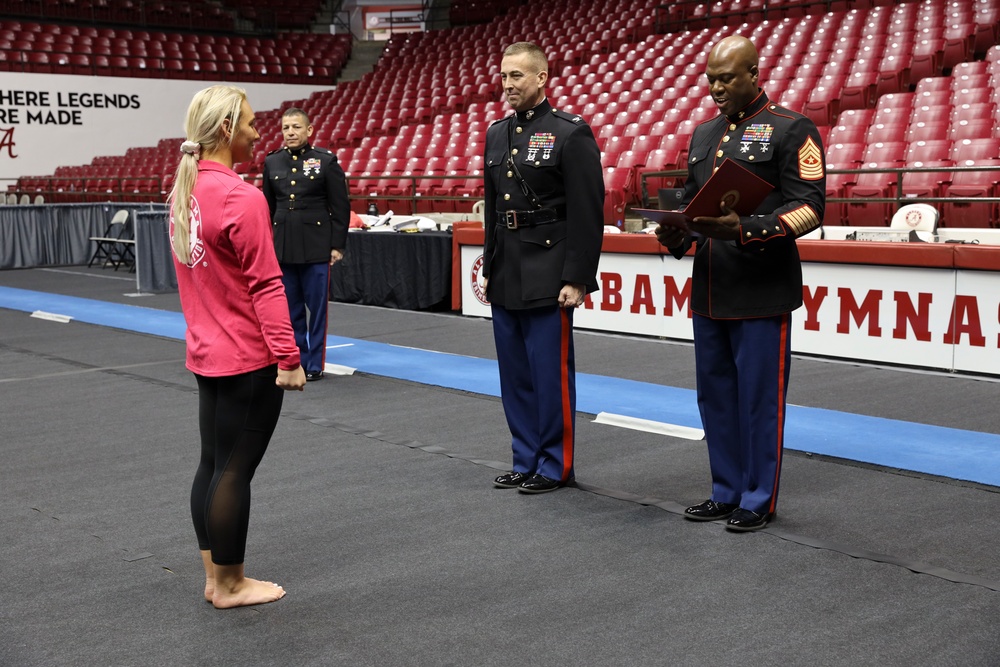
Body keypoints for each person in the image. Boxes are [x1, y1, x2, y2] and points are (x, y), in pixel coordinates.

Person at [655, 36, 825, 531]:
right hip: (710, 286)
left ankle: (757, 497)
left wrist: (748, 229)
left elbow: (812, 207)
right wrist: (674, 232)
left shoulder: (792, 129)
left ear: (754, 73)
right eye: (711, 77)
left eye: (726, 77)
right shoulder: (704, 133)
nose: (716, 86)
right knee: (715, 397)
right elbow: (695, 204)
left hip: (761, 287)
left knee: (758, 399)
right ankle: (724, 490)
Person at [169, 85, 307, 608]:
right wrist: (289, 358)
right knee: (233, 470)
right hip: (247, 358)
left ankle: (214, 577)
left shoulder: (184, 188)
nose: (257, 130)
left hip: (207, 353)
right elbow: (267, 285)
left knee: (212, 463)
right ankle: (230, 584)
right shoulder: (240, 196)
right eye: (249, 122)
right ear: (227, 129)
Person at [483, 42, 605, 494]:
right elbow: (493, 209)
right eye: (504, 76)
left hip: (549, 270)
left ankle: (555, 463)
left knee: (549, 375)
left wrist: (577, 277)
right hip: (507, 269)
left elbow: (588, 212)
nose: (509, 84)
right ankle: (525, 457)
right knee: (514, 375)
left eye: (517, 75)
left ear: (542, 78)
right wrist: (489, 264)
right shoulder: (496, 133)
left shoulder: (569, 133)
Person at [263, 108, 350, 381]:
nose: (290, 132)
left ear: (309, 130)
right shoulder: (272, 162)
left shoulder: (325, 161)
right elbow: (267, 207)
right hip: (283, 247)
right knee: (290, 309)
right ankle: (297, 359)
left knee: (317, 309)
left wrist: (337, 246)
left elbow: (340, 207)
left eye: (296, 127)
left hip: (316, 247)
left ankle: (314, 363)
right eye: (286, 127)